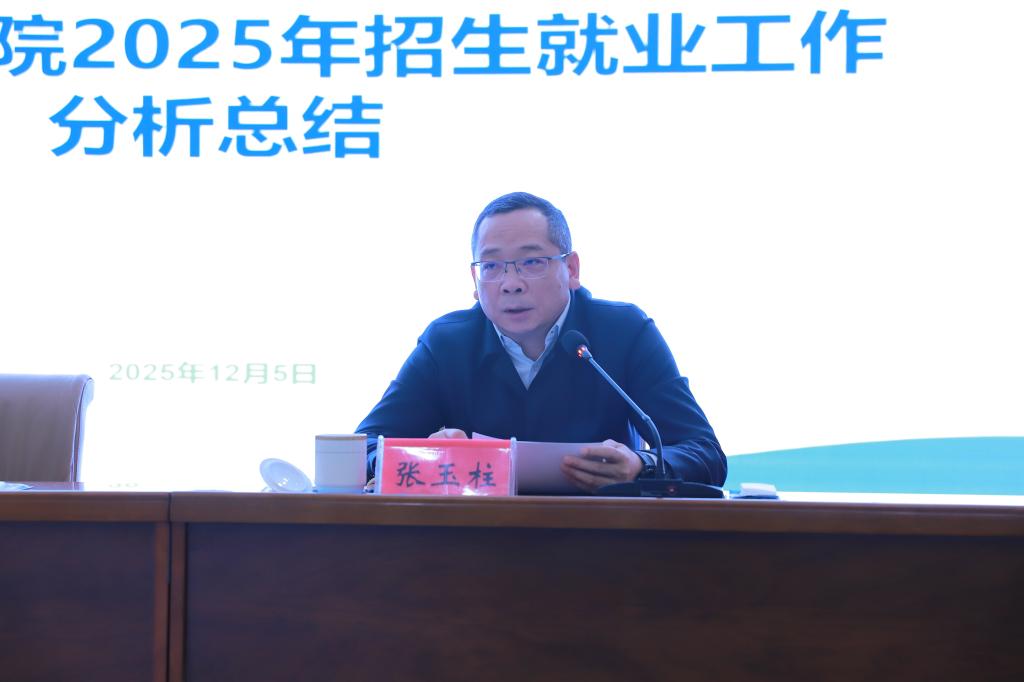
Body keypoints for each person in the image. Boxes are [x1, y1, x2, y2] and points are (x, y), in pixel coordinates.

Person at [356, 192, 726, 492]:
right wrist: (425, 455)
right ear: (475, 281)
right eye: (492, 266)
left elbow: (704, 452)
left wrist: (642, 464)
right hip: (475, 541)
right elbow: (364, 448)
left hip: (604, 541)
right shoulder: (447, 342)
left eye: (531, 263)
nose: (510, 283)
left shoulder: (624, 331)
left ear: (572, 269)